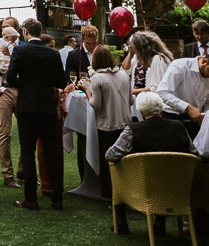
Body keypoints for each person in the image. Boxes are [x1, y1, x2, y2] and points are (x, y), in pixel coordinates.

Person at [105, 91, 196, 235]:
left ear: (140, 110)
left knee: (116, 168)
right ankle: (160, 222)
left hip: (139, 185)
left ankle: (121, 222)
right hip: (175, 186)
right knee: (164, 174)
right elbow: (194, 153)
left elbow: (111, 155)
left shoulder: (133, 130)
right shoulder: (178, 127)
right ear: (161, 109)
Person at [6, 21, 66, 212]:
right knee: (53, 152)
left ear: (25, 32)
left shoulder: (20, 51)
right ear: (40, 33)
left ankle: (31, 198)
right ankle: (57, 197)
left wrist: (24, 85)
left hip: (27, 106)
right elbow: (61, 82)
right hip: (47, 106)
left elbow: (9, 78)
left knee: (28, 151)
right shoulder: (53, 53)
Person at [84, 45, 131, 201]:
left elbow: (96, 105)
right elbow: (131, 100)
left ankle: (110, 195)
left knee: (108, 161)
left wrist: (86, 91)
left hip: (107, 125)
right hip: (125, 123)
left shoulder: (97, 78)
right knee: (124, 162)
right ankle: (126, 192)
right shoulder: (124, 75)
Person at [154, 51, 209, 135]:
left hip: (196, 119)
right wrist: (188, 107)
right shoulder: (180, 65)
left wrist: (206, 116)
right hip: (172, 115)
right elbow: (162, 92)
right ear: (204, 61)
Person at [0, 25, 23, 190]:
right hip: (3, 91)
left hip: (21, 90)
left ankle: (24, 170)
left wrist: (14, 56)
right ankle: (7, 174)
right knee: (5, 133)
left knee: (26, 132)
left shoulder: (22, 46)